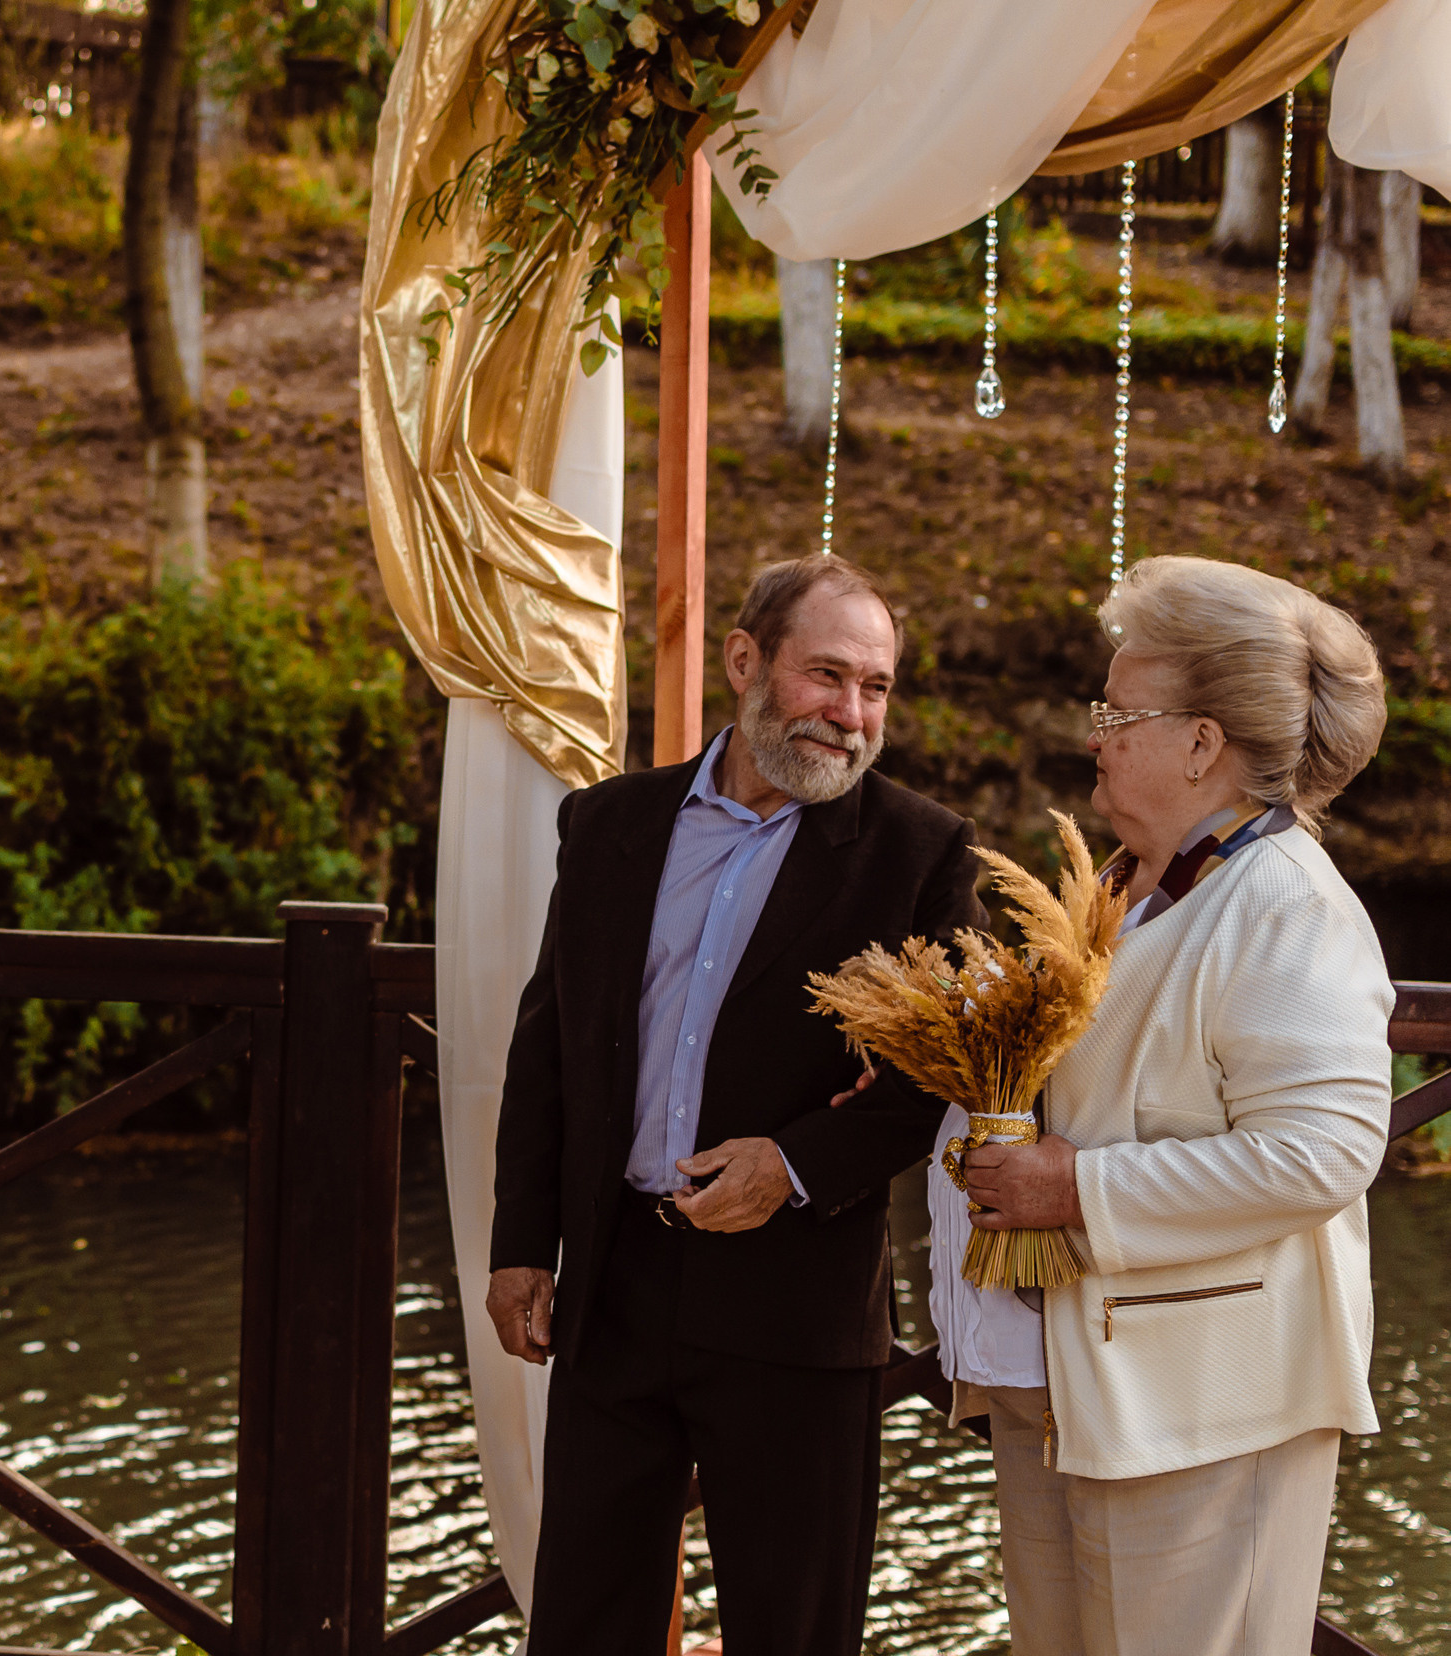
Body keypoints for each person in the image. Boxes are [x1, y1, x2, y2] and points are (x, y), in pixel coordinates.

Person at [488, 555, 986, 1656]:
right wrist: (522, 1244)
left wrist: (795, 1164)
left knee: (794, 1634)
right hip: (612, 1288)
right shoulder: (606, 824)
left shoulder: (919, 851)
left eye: (875, 688)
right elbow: (549, 1044)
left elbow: (952, 1074)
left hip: (795, 1304)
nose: (850, 714)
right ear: (744, 661)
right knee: (580, 1627)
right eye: (826, 676)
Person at [954, 554, 1392, 1656]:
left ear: (1202, 743)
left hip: (1204, 1409)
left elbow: (1324, 1152)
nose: (1094, 735)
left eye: (1119, 713)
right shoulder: (1129, 881)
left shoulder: (1287, 904)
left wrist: (1074, 1191)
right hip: (1075, 1385)